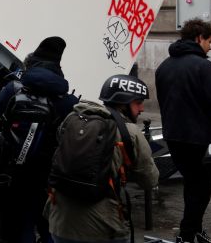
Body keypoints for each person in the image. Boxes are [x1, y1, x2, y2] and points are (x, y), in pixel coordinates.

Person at [45, 74, 159, 243]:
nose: (142, 108)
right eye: (138, 102)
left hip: (59, 224)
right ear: (123, 103)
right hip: (104, 229)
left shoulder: (72, 119)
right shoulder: (130, 132)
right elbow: (150, 180)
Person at [0, 37, 78, 242]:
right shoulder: (68, 101)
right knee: (48, 226)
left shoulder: (13, 89)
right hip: (48, 175)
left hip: (12, 172)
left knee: (16, 227)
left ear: (31, 64)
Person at [155, 19, 211, 243]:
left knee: (192, 182)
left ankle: (193, 231)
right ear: (198, 38)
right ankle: (188, 234)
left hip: (173, 135)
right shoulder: (204, 66)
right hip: (197, 136)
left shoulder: (164, 65)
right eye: (209, 41)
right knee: (201, 186)